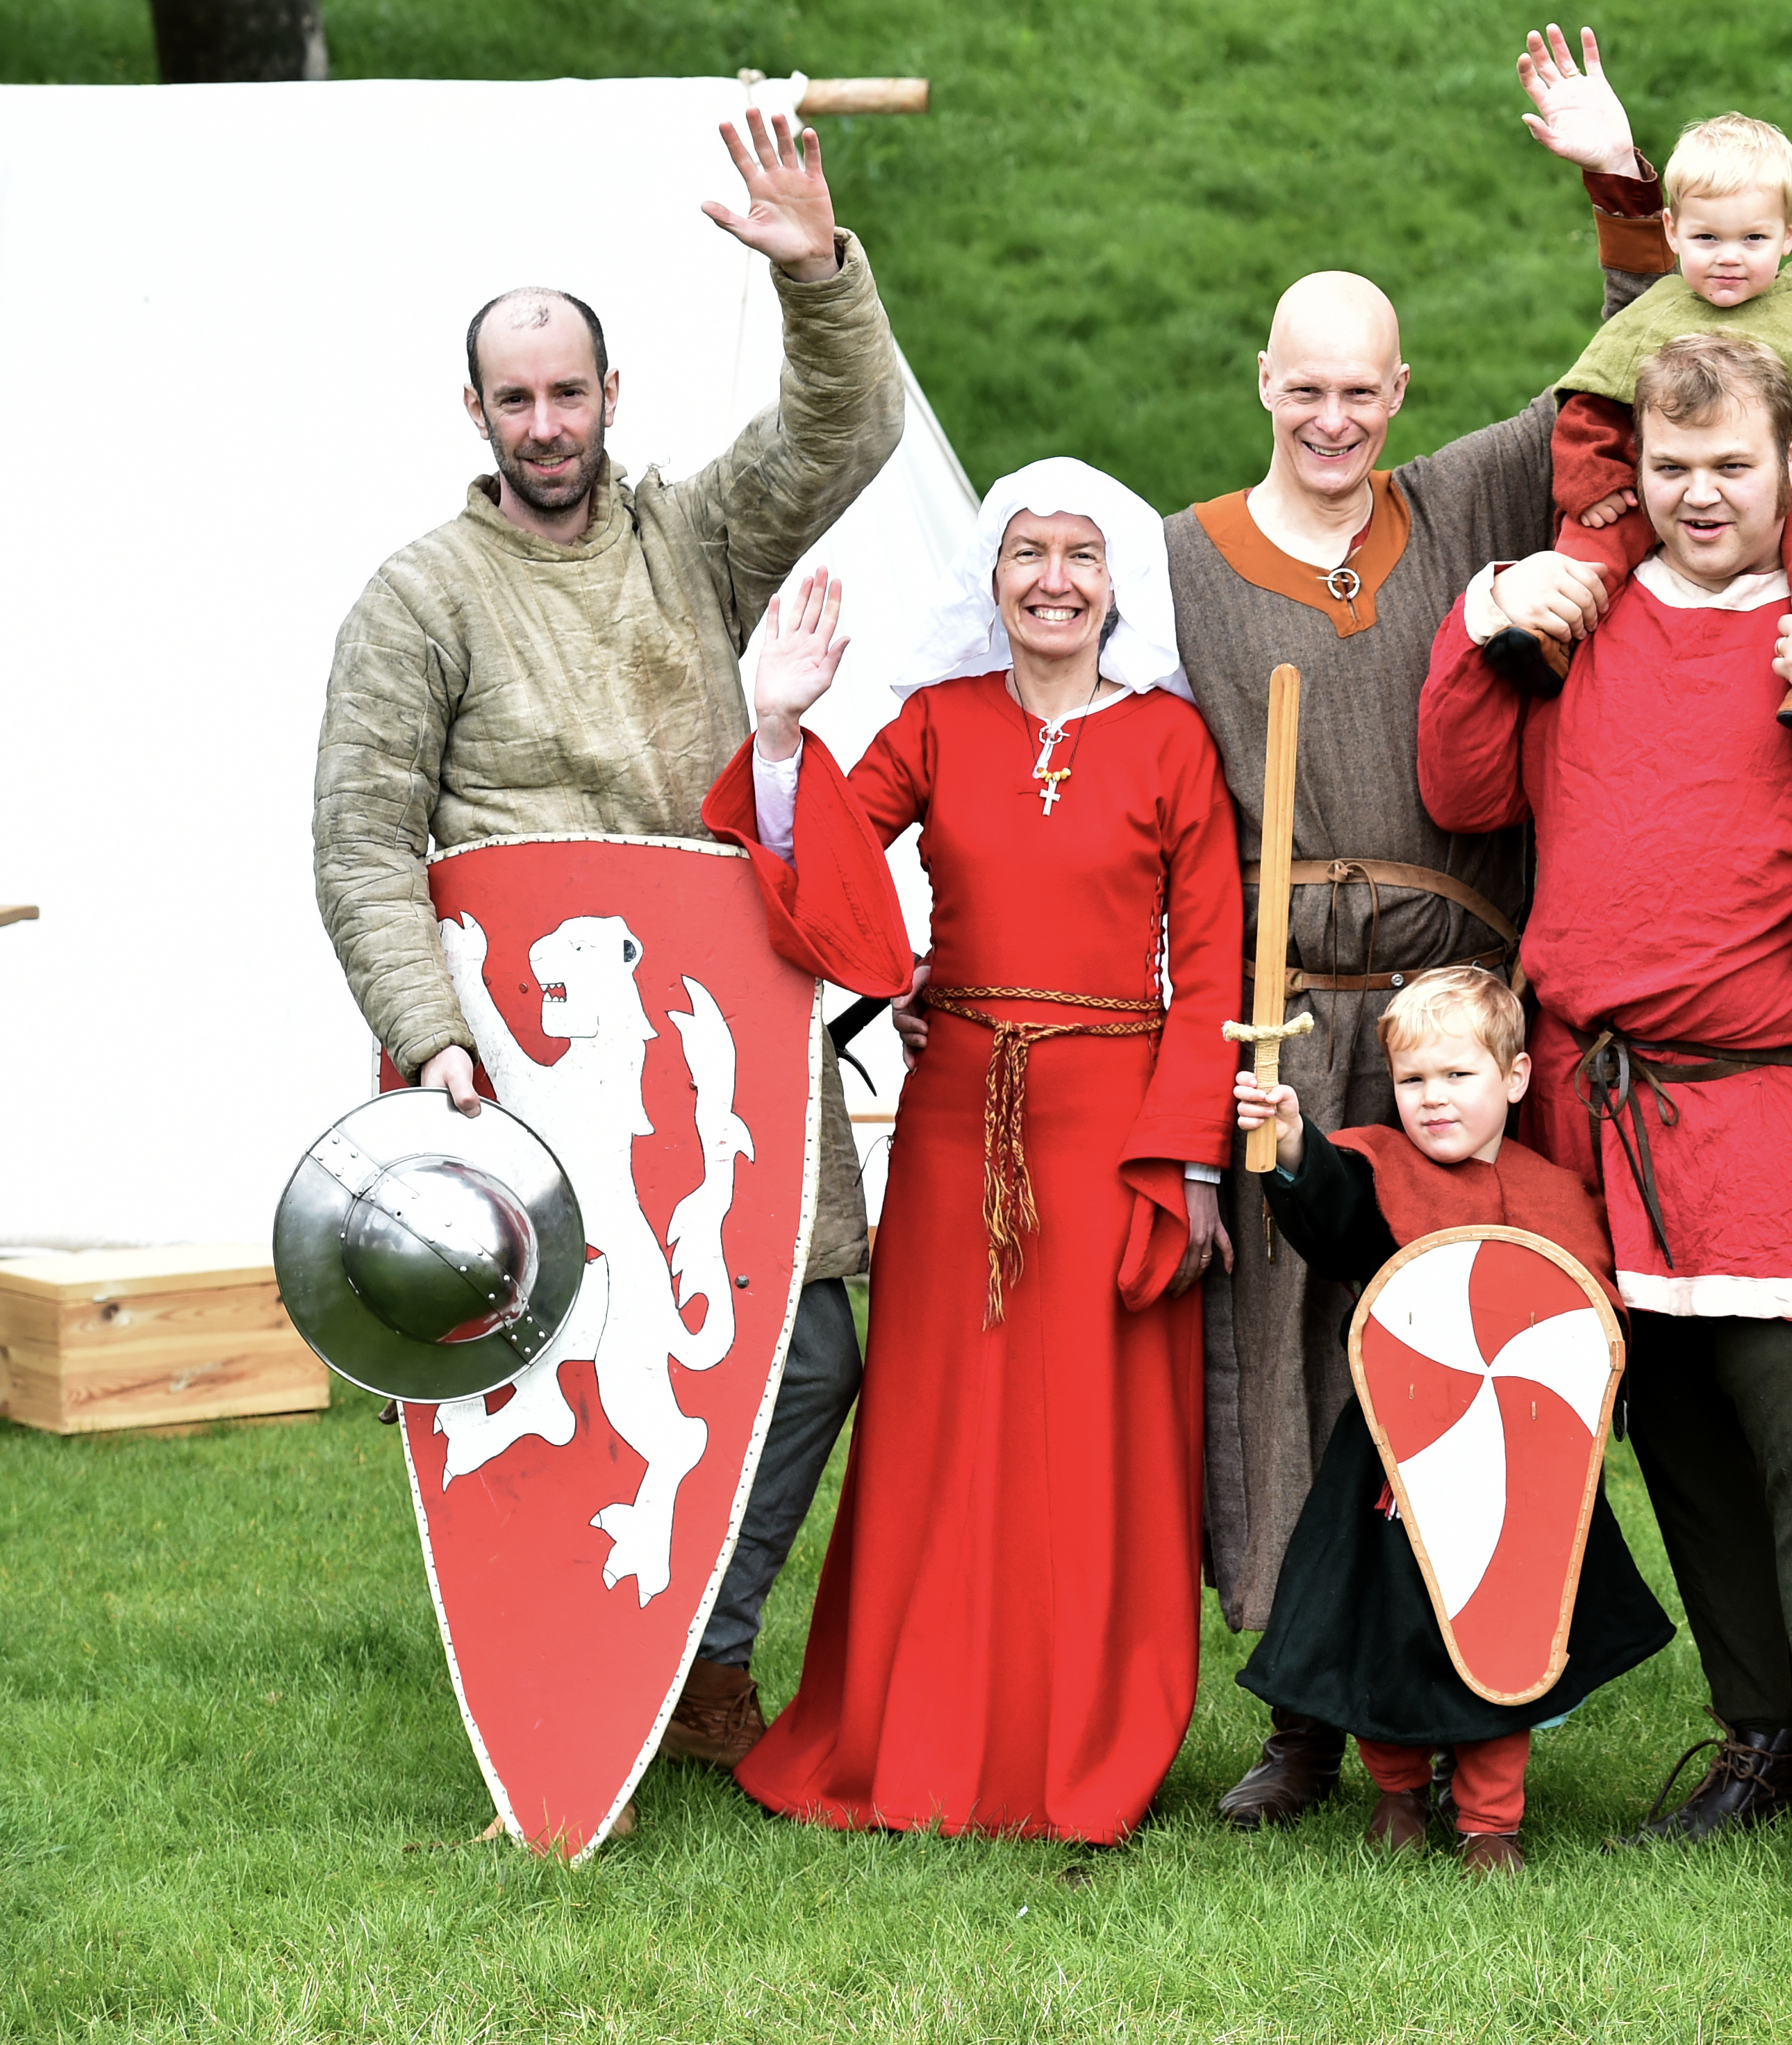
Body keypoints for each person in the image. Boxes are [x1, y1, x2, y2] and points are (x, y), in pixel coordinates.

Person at [310, 110, 904, 1770]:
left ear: (612, 396)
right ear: (478, 412)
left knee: (811, 1341)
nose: (548, 422)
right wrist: (434, 1033)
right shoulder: (419, 596)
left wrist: (817, 278)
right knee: (553, 1368)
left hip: (720, 1043)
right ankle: (573, 1666)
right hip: (530, 1069)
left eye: (572, 392)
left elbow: (846, 429)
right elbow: (362, 836)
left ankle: (702, 1646)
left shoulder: (692, 543)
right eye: (518, 397)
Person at [1173, 25, 1685, 1829]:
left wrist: (1615, 187)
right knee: (1282, 1357)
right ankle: (1304, 1712)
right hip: (1285, 1013)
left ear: (1400, 392)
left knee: (1447, 1341)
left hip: (1452, 1020)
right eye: (1302, 390)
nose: (1332, 421)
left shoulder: (1455, 499)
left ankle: (1469, 1667)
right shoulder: (1174, 558)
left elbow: (1613, 384)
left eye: (1360, 392)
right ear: (1263, 383)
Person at [1417, 331, 1792, 1922]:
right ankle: (1765, 1735)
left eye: (1733, 467)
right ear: (1636, 472)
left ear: (1790, 464)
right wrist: (1488, 627)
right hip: (1603, 1105)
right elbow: (1467, 789)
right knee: (1681, 1442)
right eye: (1673, 469)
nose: (1703, 495)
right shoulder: (1589, 611)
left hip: (1775, 1098)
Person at [717, 463, 1242, 1843]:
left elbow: (1212, 974)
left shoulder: (1172, 745)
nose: (1053, 578)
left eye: (1080, 554)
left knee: (1089, 1443)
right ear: (990, 575)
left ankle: (1076, 1745)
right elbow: (817, 861)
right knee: (938, 1436)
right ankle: (915, 1733)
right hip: (959, 1129)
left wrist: (1183, 1165)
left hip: (1112, 1133)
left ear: (1118, 579)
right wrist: (777, 732)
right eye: (1026, 552)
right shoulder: (937, 726)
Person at [1226, 968, 1676, 1875]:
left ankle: (1488, 1820)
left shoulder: (1554, 1195)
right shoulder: (1380, 1169)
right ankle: (1396, 1794)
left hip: (1521, 1471)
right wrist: (1290, 1143)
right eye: (1412, 1079)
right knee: (1386, 1630)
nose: (1432, 1099)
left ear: (1512, 1077)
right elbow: (1337, 1217)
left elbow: (1588, 1331)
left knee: (1506, 1635)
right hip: (1396, 1462)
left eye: (1457, 1076)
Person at [1518, 107, 1792, 733]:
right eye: (1706, 239)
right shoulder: (1654, 314)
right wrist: (1592, 480)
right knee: (1595, 532)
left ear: (1789, 232)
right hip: (1667, 463)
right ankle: (1551, 635)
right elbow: (1591, 408)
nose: (1728, 258)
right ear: (1670, 230)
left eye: (1753, 239)